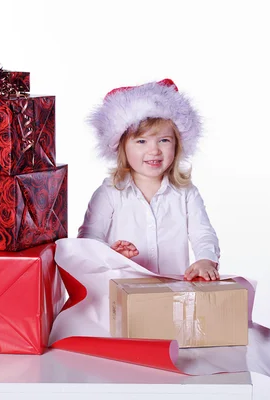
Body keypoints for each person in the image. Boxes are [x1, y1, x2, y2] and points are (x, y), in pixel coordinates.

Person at [78, 79, 220, 281]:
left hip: (171, 294)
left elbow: (203, 233)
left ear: (177, 145)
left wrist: (206, 259)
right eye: (141, 141)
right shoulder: (110, 192)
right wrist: (110, 255)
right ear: (122, 147)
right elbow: (89, 239)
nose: (154, 150)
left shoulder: (186, 193)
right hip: (122, 294)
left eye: (164, 140)